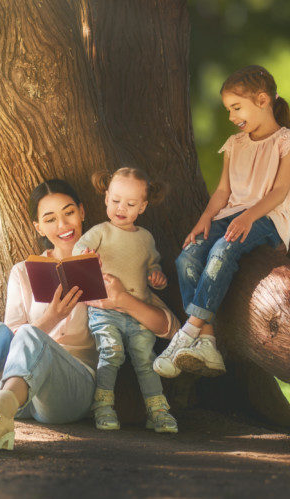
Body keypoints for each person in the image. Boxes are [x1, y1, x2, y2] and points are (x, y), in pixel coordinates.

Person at [0, 179, 177, 451]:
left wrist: (122, 299)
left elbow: (170, 328)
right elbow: (11, 340)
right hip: (13, 395)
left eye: (68, 213)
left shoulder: (111, 268)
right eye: (50, 219)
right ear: (38, 227)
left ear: (81, 212)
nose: (62, 226)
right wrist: (53, 317)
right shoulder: (23, 272)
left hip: (68, 393)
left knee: (30, 334)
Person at [154, 65, 290, 379]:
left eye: (236, 107)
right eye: (228, 109)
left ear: (263, 100)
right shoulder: (234, 144)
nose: (231, 116)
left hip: (266, 219)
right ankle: (208, 342)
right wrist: (204, 219)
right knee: (187, 258)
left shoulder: (288, 141)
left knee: (222, 251)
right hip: (230, 216)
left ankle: (185, 334)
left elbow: (279, 191)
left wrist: (250, 216)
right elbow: (223, 191)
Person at [73, 168, 180, 433]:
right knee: (111, 353)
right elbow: (78, 250)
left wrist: (157, 276)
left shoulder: (145, 238)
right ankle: (102, 406)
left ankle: (158, 411)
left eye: (131, 204)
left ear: (143, 206)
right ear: (106, 198)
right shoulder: (101, 232)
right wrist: (85, 255)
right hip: (105, 310)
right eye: (116, 200)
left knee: (146, 359)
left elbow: (153, 265)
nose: (122, 208)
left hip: (138, 310)